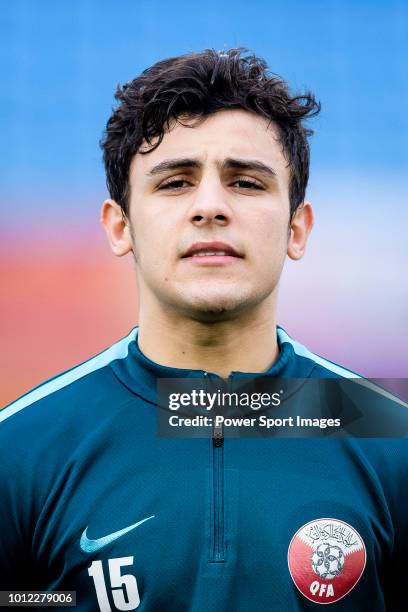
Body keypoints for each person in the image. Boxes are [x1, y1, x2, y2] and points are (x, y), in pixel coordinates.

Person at [0, 48, 406, 611]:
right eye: (174, 183)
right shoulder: (19, 449)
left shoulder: (388, 437)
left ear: (297, 227)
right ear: (120, 227)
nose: (210, 207)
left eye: (245, 182)